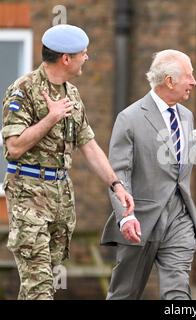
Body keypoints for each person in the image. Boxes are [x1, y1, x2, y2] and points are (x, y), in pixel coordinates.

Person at [1, 24, 134, 300]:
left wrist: (116, 185)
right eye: (83, 54)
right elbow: (13, 147)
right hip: (28, 196)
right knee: (39, 288)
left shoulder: (71, 94)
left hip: (60, 199)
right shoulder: (24, 90)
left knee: (41, 284)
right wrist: (50, 118)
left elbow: (89, 145)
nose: (87, 58)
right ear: (66, 58)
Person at [101, 49, 196, 300]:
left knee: (178, 290)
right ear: (170, 81)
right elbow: (119, 172)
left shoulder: (187, 117)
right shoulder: (130, 118)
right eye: (189, 76)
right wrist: (125, 217)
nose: (193, 82)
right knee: (125, 293)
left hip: (180, 218)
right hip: (141, 221)